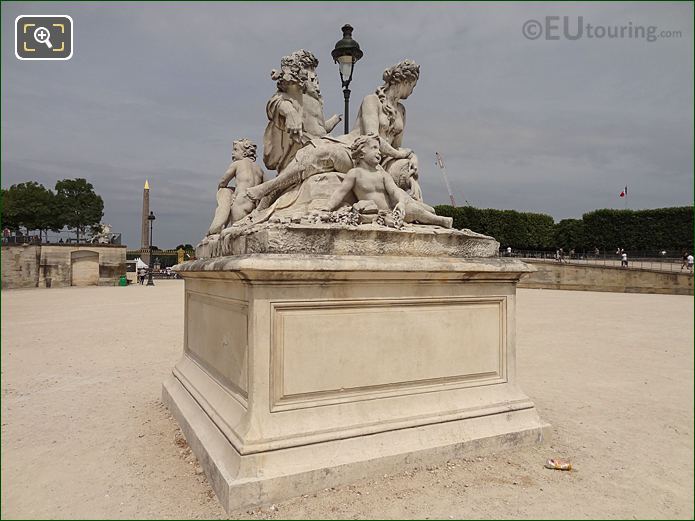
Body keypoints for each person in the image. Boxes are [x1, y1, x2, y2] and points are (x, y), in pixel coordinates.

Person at [246, 60, 421, 210]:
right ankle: (270, 189)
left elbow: (396, 146)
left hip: (378, 161)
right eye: (413, 85)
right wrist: (399, 154)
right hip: (355, 152)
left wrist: (411, 156)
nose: (413, 90)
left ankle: (269, 191)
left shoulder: (401, 111)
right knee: (321, 153)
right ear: (405, 81)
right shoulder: (372, 100)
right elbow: (371, 138)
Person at [320, 134, 452, 228]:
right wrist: (327, 208)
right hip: (382, 213)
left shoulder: (382, 175)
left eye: (379, 149)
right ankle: (440, 221)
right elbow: (340, 192)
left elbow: (394, 190)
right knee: (417, 211)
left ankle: (433, 217)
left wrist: (400, 202)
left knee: (429, 209)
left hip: (393, 207)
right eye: (374, 148)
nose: (379, 152)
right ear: (362, 151)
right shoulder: (355, 173)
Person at [206, 138, 265, 235]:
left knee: (235, 234)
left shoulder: (237, 164)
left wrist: (224, 192)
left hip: (240, 202)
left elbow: (223, 181)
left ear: (244, 154)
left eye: (235, 150)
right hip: (254, 206)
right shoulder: (259, 169)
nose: (232, 153)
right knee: (246, 233)